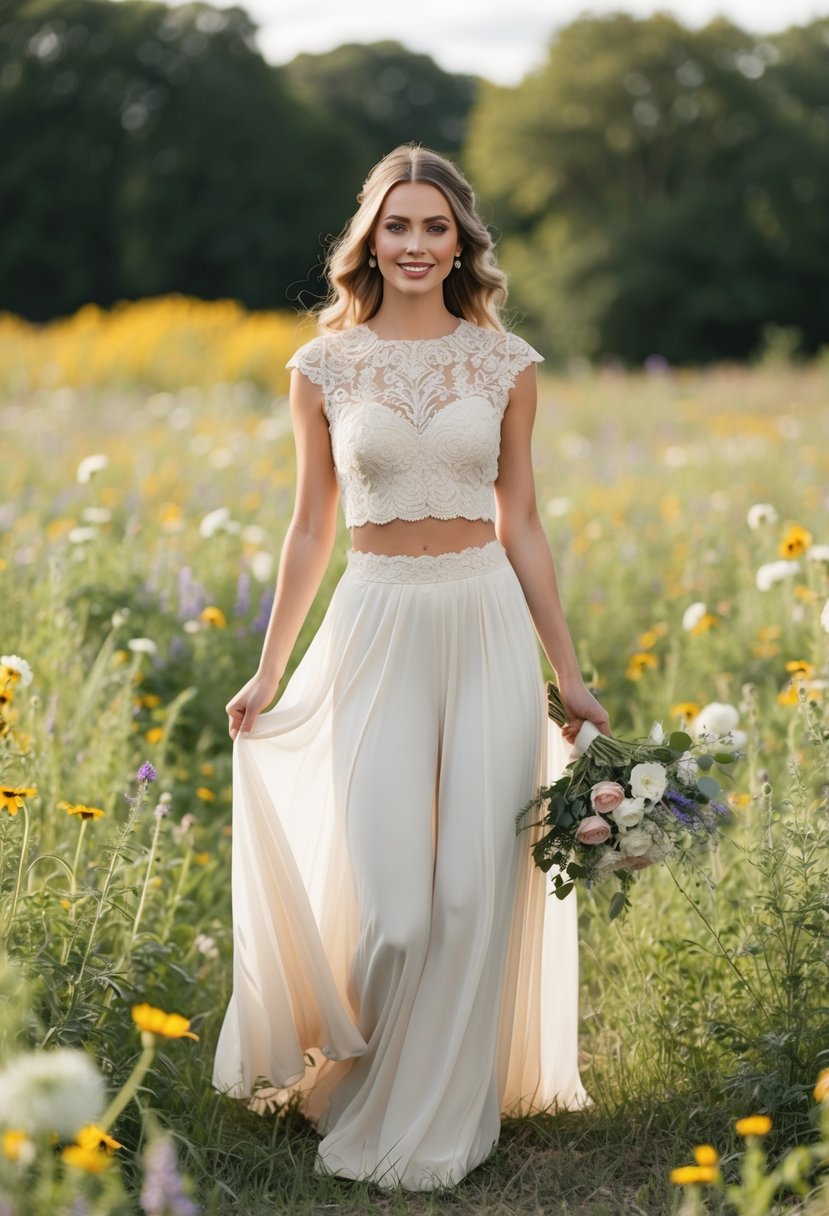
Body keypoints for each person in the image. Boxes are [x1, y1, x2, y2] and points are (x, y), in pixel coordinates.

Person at [211, 142, 611, 1192]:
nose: (418, 244)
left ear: (462, 242)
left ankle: (441, 1121)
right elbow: (308, 530)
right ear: (369, 240)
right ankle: (357, 1081)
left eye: (437, 227)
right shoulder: (324, 368)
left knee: (473, 894)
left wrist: (565, 671)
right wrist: (268, 671)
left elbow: (522, 522)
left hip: (481, 620)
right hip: (375, 625)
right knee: (398, 907)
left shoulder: (506, 364)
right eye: (399, 225)